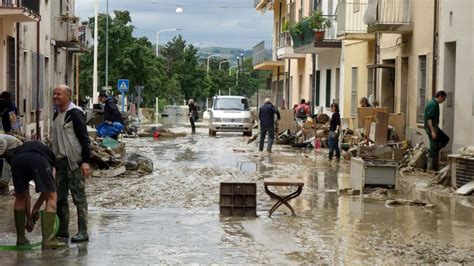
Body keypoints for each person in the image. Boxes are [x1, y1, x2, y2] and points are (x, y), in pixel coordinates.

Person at [1, 136, 66, 249]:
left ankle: (21, 239)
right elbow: (48, 192)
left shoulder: (24, 147)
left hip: (17, 161)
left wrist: (30, 216)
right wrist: (36, 208)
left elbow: (26, 195)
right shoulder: (53, 160)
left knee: (20, 197)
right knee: (52, 196)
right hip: (38, 159)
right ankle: (49, 240)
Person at [52, 84, 91, 243]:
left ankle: (83, 232)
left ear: (68, 96)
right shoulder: (57, 115)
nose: (55, 96)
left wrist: (86, 162)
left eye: (58, 94)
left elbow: (84, 138)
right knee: (60, 197)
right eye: (54, 94)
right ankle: (63, 231)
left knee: (78, 197)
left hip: (74, 162)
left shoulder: (75, 114)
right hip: (60, 162)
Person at [424, 90, 449, 171]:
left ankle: (433, 152)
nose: (444, 101)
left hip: (435, 128)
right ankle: (430, 168)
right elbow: (428, 119)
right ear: (440, 96)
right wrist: (432, 131)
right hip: (431, 128)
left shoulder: (435, 103)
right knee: (434, 146)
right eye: (444, 99)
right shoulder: (433, 104)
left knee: (445, 139)